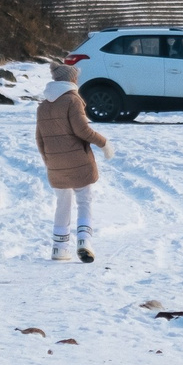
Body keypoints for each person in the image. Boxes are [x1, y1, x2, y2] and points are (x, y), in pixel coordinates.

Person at [35, 54, 110, 262]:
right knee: (84, 200)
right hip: (78, 161)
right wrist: (104, 143)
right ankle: (84, 242)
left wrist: (49, 162)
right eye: (75, 78)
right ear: (70, 80)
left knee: (63, 203)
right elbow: (82, 130)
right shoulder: (72, 99)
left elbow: (39, 139)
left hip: (55, 163)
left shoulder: (43, 106)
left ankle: (59, 249)